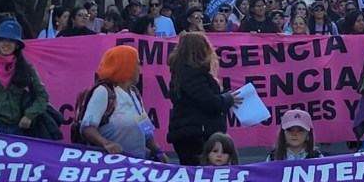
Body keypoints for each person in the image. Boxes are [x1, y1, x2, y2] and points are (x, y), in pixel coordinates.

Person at [80, 46, 168, 161]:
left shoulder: (134, 93)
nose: (140, 68)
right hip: (112, 166)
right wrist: (106, 143)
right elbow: (87, 127)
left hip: (137, 164)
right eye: (137, 63)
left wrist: (158, 151)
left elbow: (145, 129)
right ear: (127, 66)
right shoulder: (103, 92)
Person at [167, 33, 242, 166]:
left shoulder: (182, 73)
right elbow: (209, 102)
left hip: (189, 132)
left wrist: (223, 95)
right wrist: (227, 99)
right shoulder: (193, 74)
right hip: (198, 134)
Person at [0, 21, 49, 136]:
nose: (6, 44)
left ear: (17, 45)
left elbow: (42, 96)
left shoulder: (27, 69)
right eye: (3, 39)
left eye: (11, 40)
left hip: (20, 130)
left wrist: (29, 115)